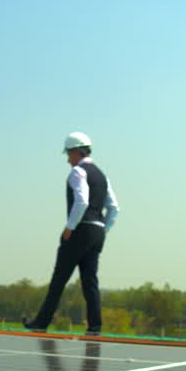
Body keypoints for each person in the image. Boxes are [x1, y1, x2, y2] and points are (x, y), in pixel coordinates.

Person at [24, 132, 120, 336]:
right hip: (97, 232)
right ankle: (95, 327)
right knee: (90, 281)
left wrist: (70, 227)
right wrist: (104, 229)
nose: (68, 159)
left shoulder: (78, 172)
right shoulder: (103, 176)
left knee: (59, 278)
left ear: (77, 151)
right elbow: (114, 208)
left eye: (69, 154)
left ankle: (41, 322)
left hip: (79, 230)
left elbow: (82, 201)